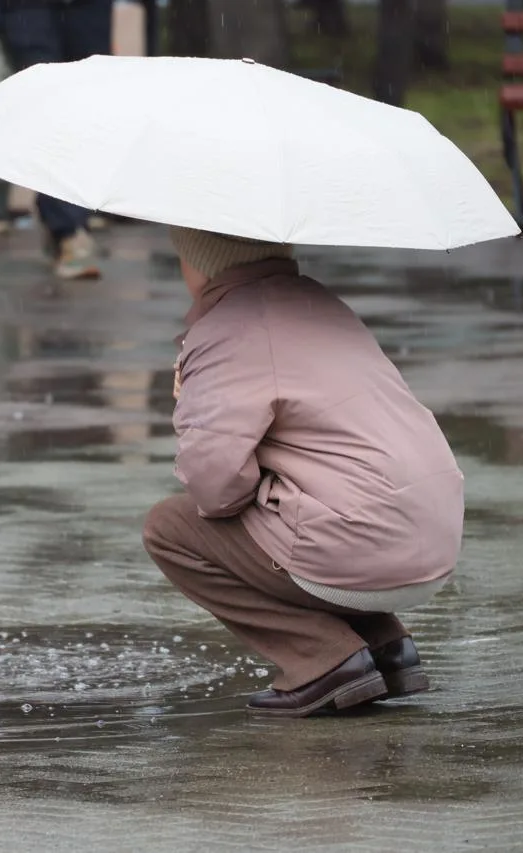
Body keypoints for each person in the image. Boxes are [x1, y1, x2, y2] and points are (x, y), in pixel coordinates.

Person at [142, 228, 464, 717]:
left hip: (358, 548)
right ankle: (386, 646)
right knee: (311, 502)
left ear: (202, 263)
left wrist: (190, 408)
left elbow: (214, 489)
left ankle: (322, 660)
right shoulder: (321, 303)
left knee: (170, 528)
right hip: (432, 537)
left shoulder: (229, 329)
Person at [0, 0, 112, 279]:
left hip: (86, 10)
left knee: (82, 106)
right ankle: (69, 228)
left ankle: (65, 216)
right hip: (30, 10)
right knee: (45, 104)